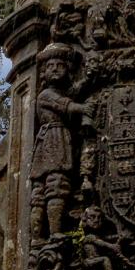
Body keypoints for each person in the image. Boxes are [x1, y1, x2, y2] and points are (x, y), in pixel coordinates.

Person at [29, 43, 86, 238]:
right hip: (52, 141)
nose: (55, 69)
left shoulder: (61, 92)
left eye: (59, 66)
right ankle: (50, 234)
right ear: (43, 72)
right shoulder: (45, 94)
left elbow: (74, 92)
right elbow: (67, 106)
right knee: (52, 186)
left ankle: (48, 234)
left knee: (50, 188)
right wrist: (85, 109)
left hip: (59, 139)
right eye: (51, 66)